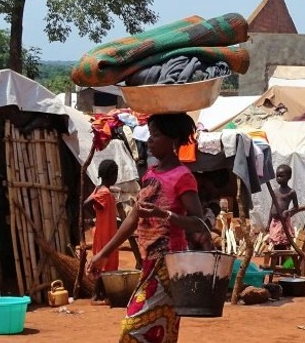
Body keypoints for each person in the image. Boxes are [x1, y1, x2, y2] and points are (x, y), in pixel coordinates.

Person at [88, 112, 210, 342]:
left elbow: (198, 222)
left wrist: (165, 214)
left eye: (155, 135)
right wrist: (102, 255)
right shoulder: (150, 175)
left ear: (173, 140)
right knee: (160, 332)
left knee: (133, 328)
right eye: (150, 135)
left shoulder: (182, 176)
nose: (150, 141)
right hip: (149, 263)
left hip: (169, 264)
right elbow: (132, 219)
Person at [83, 159, 120, 304]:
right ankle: (96, 295)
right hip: (106, 234)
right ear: (111, 175)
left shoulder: (99, 189)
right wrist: (93, 219)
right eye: (116, 174)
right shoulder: (104, 192)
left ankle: (102, 294)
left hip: (104, 231)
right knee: (105, 263)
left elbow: (92, 203)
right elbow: (87, 203)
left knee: (104, 263)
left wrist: (95, 218)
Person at [267, 164, 299, 250]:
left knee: (284, 243)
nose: (279, 178)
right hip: (274, 222)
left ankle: (287, 263)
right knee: (276, 243)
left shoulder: (291, 192)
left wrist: (288, 212)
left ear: (289, 177)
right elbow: (272, 207)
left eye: (282, 176)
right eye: (277, 176)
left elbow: (296, 207)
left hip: (283, 222)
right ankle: (277, 262)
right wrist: (268, 222)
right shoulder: (275, 192)